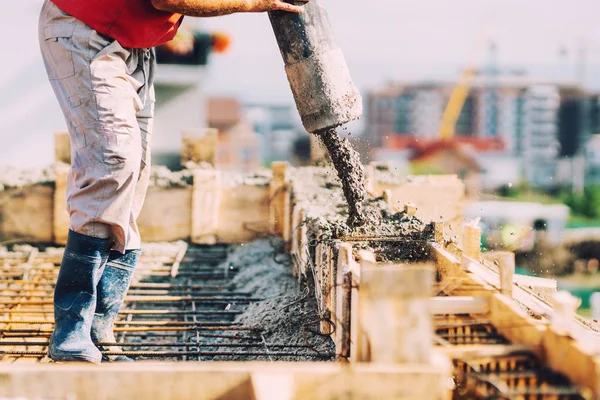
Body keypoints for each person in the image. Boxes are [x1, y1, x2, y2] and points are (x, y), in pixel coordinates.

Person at [38, 0, 309, 363]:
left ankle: (99, 332)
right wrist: (255, 2)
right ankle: (71, 332)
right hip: (83, 28)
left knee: (132, 180)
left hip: (131, 43)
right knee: (113, 163)